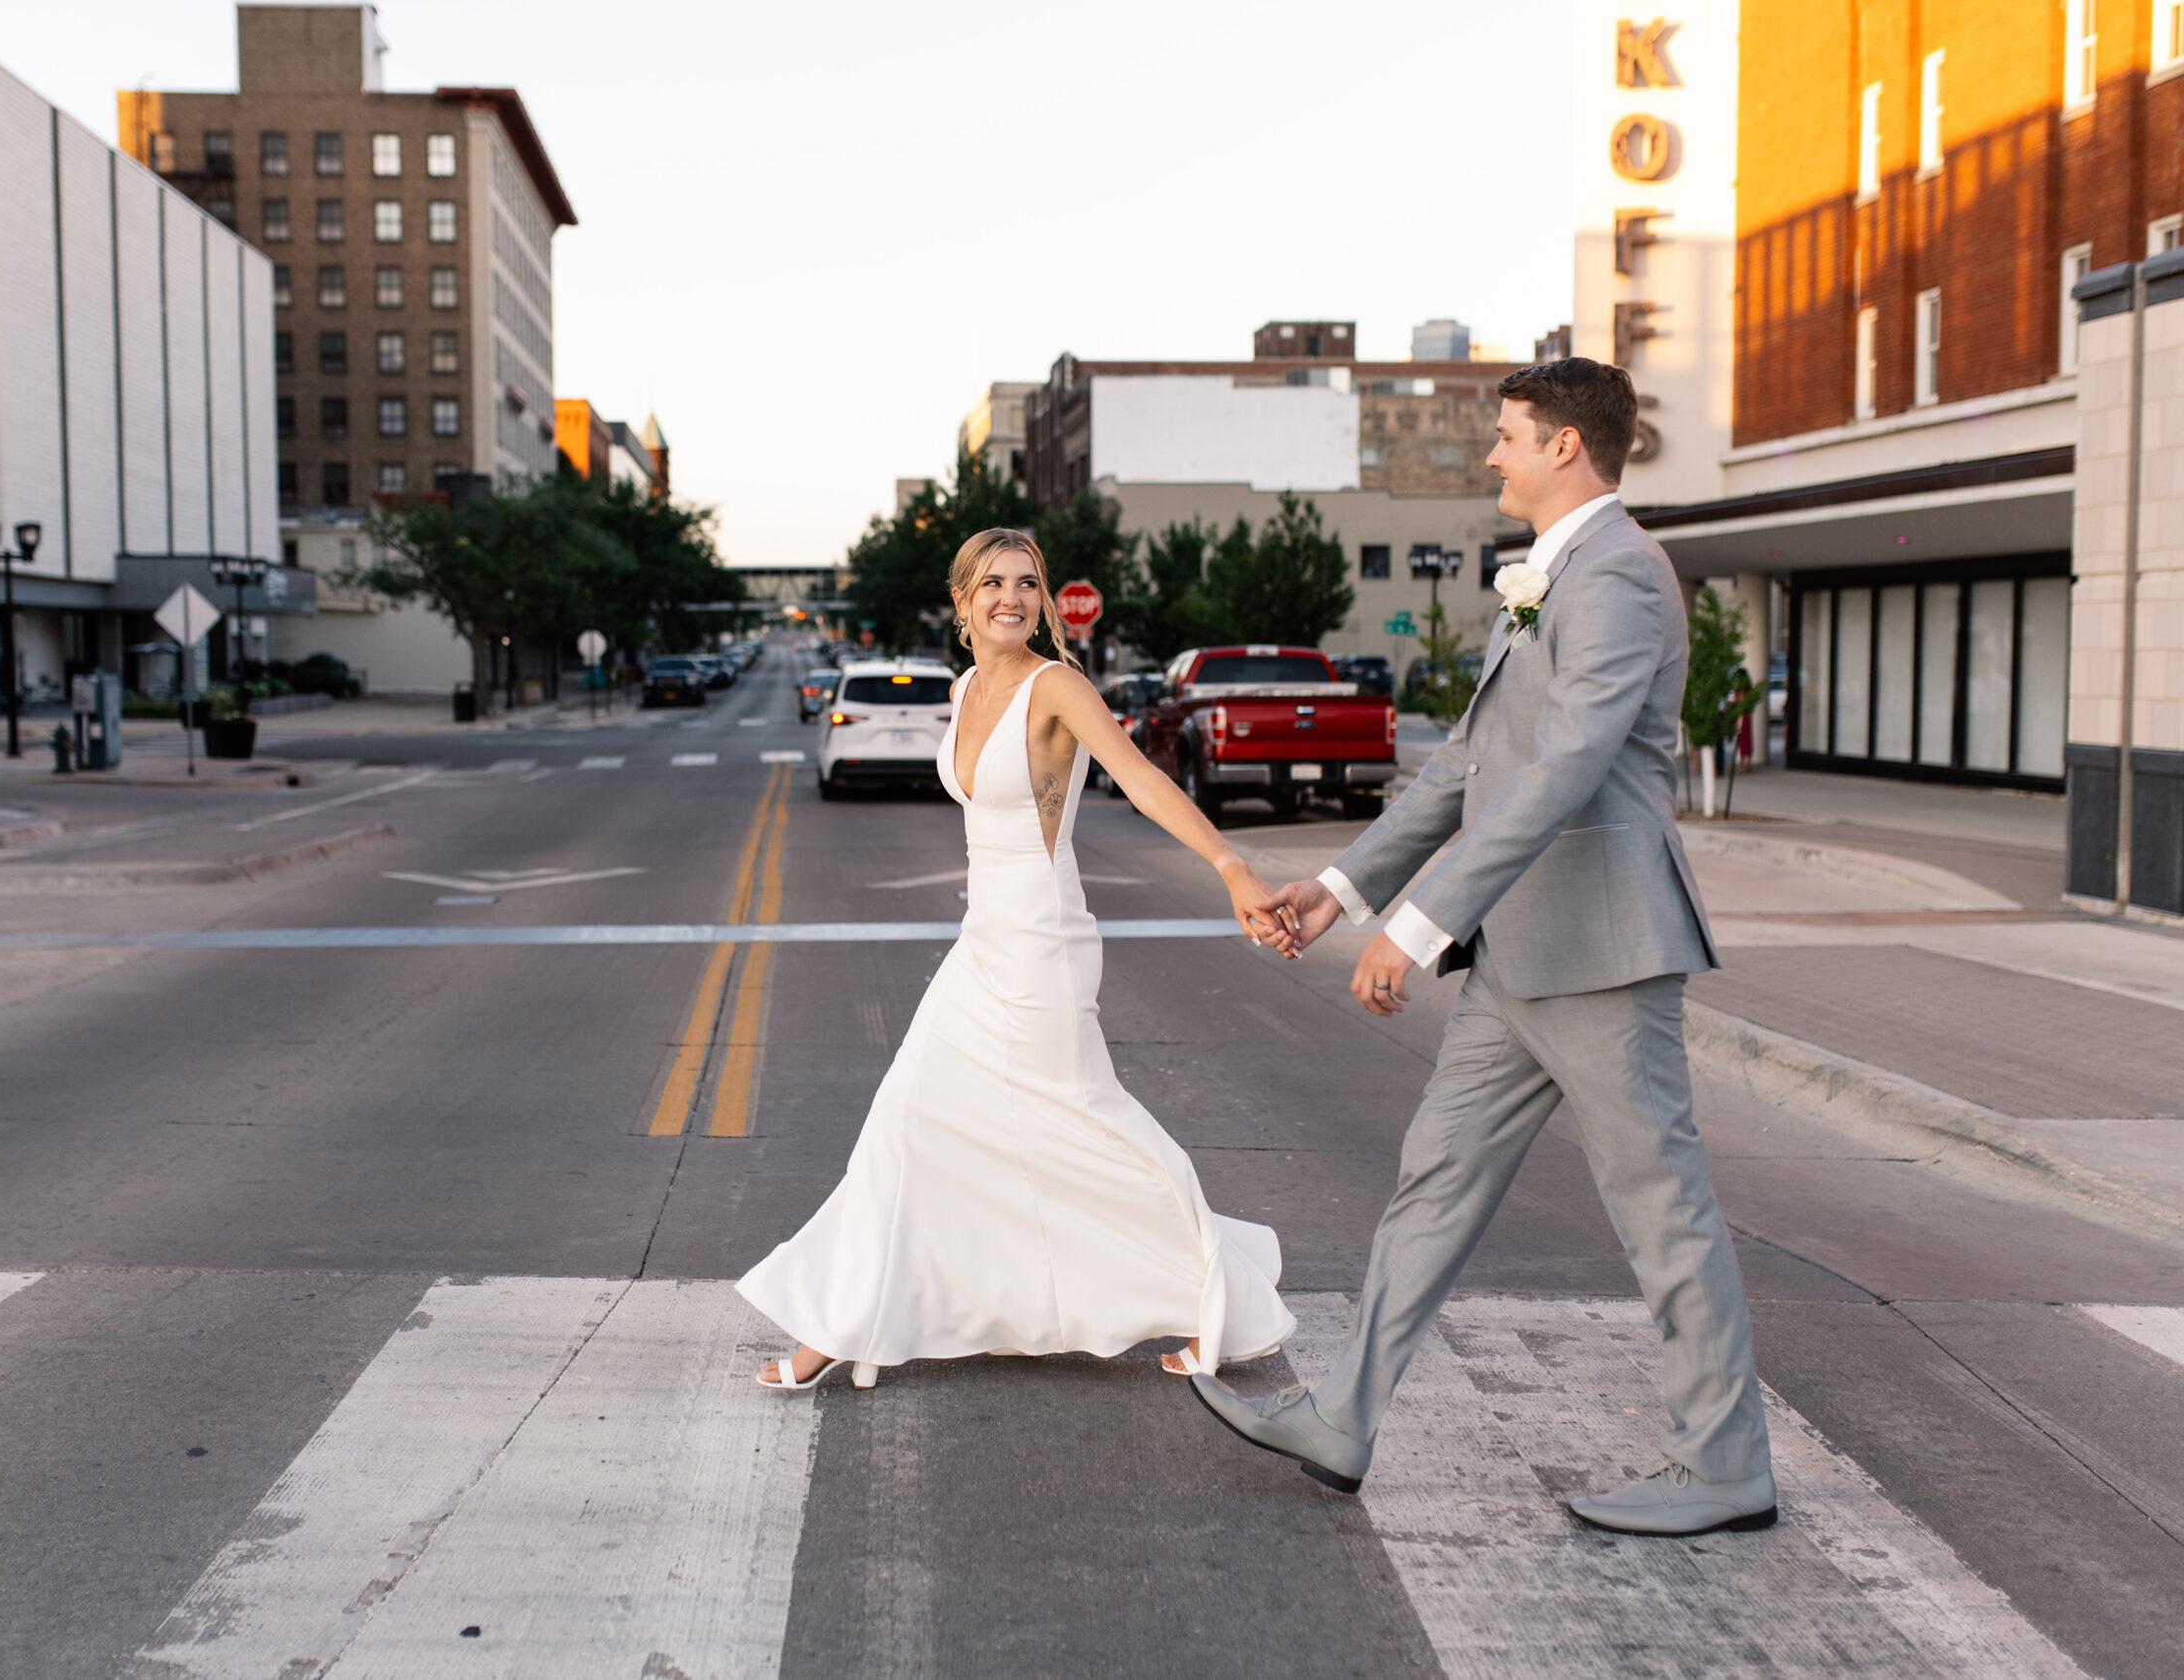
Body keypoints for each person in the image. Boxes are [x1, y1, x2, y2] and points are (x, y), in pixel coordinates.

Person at [1195, 357, 1778, 1537]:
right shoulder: (1549, 579)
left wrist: (1415, 928)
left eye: (1509, 436)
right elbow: (1465, 770)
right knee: (1433, 1183)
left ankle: (1724, 1465)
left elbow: (1562, 773)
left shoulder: (1614, 576)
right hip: (1520, 959)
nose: (1494, 455)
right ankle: (1342, 1418)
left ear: (1567, 446)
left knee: (1661, 1210)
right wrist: (1341, 889)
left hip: (1601, 951)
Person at [737, 528, 1297, 1390]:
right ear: (961, 602)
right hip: (981, 941)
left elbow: (1141, 779)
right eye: (993, 582)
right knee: (907, 1126)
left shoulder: (1057, 686)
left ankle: (1225, 1298)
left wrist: (1230, 865)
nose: (1012, 597)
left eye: (1027, 583)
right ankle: (841, 1324)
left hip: (1043, 946)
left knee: (1086, 1123)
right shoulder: (963, 689)